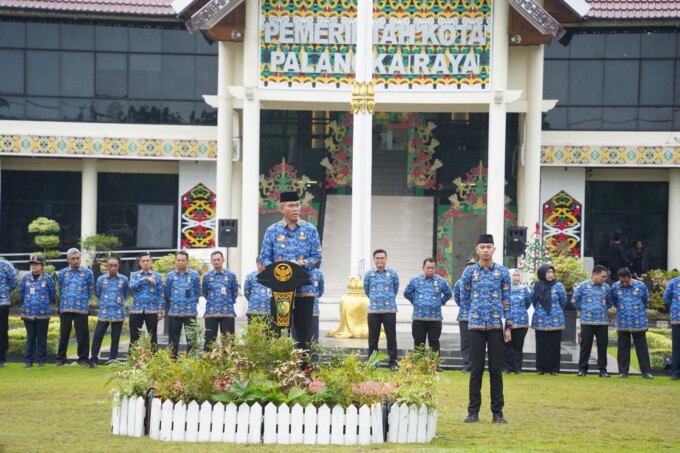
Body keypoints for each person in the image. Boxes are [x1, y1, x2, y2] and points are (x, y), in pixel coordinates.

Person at [259, 191, 322, 362]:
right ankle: (279, 366)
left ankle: (303, 370)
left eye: (297, 205)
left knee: (304, 333)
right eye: (291, 205)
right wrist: (279, 269)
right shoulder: (272, 231)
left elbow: (317, 258)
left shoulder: (310, 230)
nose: (295, 209)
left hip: (304, 289)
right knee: (278, 330)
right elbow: (264, 257)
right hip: (280, 289)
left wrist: (300, 264)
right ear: (281, 208)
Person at [460, 234, 511, 424]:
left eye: (489, 246)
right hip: (475, 325)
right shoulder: (469, 272)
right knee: (476, 370)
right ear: (477, 249)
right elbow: (463, 297)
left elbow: (508, 301)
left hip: (497, 326)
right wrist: (471, 312)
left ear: (494, 249)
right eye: (482, 247)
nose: (486, 250)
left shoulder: (503, 272)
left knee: (496, 371)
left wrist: (509, 327)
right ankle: (473, 412)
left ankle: (497, 412)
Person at [404, 258, 452, 370]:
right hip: (418, 317)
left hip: (435, 318)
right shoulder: (415, 280)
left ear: (435, 269)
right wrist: (415, 302)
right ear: (423, 268)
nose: (430, 270)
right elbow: (406, 293)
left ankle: (435, 365)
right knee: (418, 342)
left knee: (434, 342)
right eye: (428, 268)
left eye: (432, 268)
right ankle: (417, 364)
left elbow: (449, 294)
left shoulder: (441, 281)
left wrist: (441, 302)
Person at [55, 248, 94, 367]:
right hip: (65, 307)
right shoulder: (62, 273)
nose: (76, 261)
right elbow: (60, 288)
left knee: (82, 334)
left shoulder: (88, 273)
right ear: (68, 260)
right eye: (73, 258)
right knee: (64, 334)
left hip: (81, 308)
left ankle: (83, 359)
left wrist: (81, 299)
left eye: (78, 258)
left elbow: (90, 289)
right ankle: (60, 359)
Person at [611, 268, 653, 379]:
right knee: (623, 348)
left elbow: (646, 300)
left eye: (626, 281)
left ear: (630, 277)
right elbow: (614, 301)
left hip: (638, 321)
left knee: (642, 348)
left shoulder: (641, 285)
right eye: (622, 281)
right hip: (623, 321)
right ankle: (623, 371)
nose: (624, 283)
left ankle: (646, 372)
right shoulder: (615, 287)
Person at [572, 264, 613, 377]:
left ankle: (602, 370)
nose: (604, 279)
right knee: (585, 345)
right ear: (594, 274)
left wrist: (601, 310)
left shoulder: (606, 287)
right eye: (602, 276)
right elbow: (575, 300)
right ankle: (582, 369)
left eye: (605, 277)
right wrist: (584, 309)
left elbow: (609, 303)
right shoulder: (583, 286)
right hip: (587, 321)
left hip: (602, 321)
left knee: (602, 346)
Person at [364, 249, 400, 371]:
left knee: (391, 337)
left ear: (386, 259)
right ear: (374, 260)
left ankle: (393, 362)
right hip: (373, 310)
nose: (380, 260)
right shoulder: (369, 274)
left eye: (382, 258)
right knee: (373, 338)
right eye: (377, 258)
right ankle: (373, 361)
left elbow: (395, 289)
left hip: (389, 310)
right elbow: (366, 290)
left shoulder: (392, 273)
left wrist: (387, 300)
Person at [89, 256, 129, 367]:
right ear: (107, 266)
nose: (113, 267)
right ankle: (93, 359)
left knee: (115, 338)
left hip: (118, 312)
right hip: (104, 312)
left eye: (115, 265)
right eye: (110, 265)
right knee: (98, 336)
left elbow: (125, 294)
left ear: (118, 266)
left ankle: (112, 360)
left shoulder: (124, 279)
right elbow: (98, 293)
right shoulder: (101, 279)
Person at [530, 264, 567, 376]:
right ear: (542, 273)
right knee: (541, 344)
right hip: (540, 318)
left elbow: (563, 301)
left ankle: (554, 369)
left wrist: (555, 310)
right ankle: (540, 368)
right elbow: (533, 300)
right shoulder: (536, 286)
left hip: (555, 319)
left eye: (552, 272)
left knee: (554, 345)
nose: (551, 275)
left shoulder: (558, 286)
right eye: (548, 272)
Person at [19, 256, 56, 367]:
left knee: (41, 337)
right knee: (30, 337)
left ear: (42, 266)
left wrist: (42, 302)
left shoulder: (48, 278)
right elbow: (22, 293)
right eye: (32, 264)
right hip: (28, 313)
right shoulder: (25, 278)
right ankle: (29, 360)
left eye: (36, 264)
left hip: (43, 314)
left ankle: (41, 360)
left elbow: (52, 293)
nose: (34, 266)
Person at [164, 251, 200, 359]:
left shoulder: (194, 275)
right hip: (175, 312)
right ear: (176, 261)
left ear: (187, 262)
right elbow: (168, 292)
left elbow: (198, 291)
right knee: (173, 338)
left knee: (192, 338)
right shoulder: (170, 276)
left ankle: (191, 360)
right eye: (178, 260)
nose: (180, 262)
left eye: (183, 260)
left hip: (190, 312)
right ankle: (173, 359)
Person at [202, 250, 240, 347]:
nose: (216, 262)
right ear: (211, 261)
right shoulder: (207, 276)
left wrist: (227, 301)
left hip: (227, 312)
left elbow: (234, 292)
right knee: (210, 340)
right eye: (214, 260)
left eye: (218, 259)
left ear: (223, 260)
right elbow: (205, 292)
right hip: (211, 312)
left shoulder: (231, 275)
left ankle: (228, 361)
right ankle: (209, 361)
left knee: (228, 340)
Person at [128, 252, 164, 348]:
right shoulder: (134, 275)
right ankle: (132, 359)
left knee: (152, 336)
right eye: (143, 261)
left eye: (147, 260)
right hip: (136, 309)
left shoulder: (158, 276)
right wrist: (144, 278)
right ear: (139, 263)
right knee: (134, 336)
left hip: (152, 309)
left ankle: (154, 359)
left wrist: (160, 311)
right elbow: (131, 287)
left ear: (151, 262)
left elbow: (161, 294)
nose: (145, 263)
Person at [504, 268, 532, 375]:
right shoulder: (505, 289)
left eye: (518, 275)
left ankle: (517, 368)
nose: (516, 277)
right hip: (507, 322)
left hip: (521, 322)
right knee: (507, 346)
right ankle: (506, 367)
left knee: (518, 346)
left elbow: (528, 303)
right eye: (514, 275)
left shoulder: (524, 289)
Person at [454, 257, 476, 372]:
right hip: (464, 316)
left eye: (473, 265)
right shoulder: (459, 282)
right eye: (469, 265)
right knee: (465, 342)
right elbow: (457, 298)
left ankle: (476, 365)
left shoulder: (480, 281)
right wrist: (465, 307)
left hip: (478, 317)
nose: (471, 267)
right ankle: (466, 364)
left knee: (477, 342)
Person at [0, 258, 19, 367]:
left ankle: (1, 358)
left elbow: (14, 282)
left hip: (2, 303)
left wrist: (5, 291)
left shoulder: (5, 265)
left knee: (2, 330)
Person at [244, 258, 273, 323]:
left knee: (269, 332)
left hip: (269, 310)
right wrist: (255, 299)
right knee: (254, 332)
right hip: (254, 310)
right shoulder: (250, 276)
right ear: (257, 263)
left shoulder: (273, 276)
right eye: (262, 263)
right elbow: (246, 292)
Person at [663, 274, 680, 381]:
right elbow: (666, 298)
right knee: (677, 347)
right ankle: (676, 372)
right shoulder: (674, 282)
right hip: (677, 320)